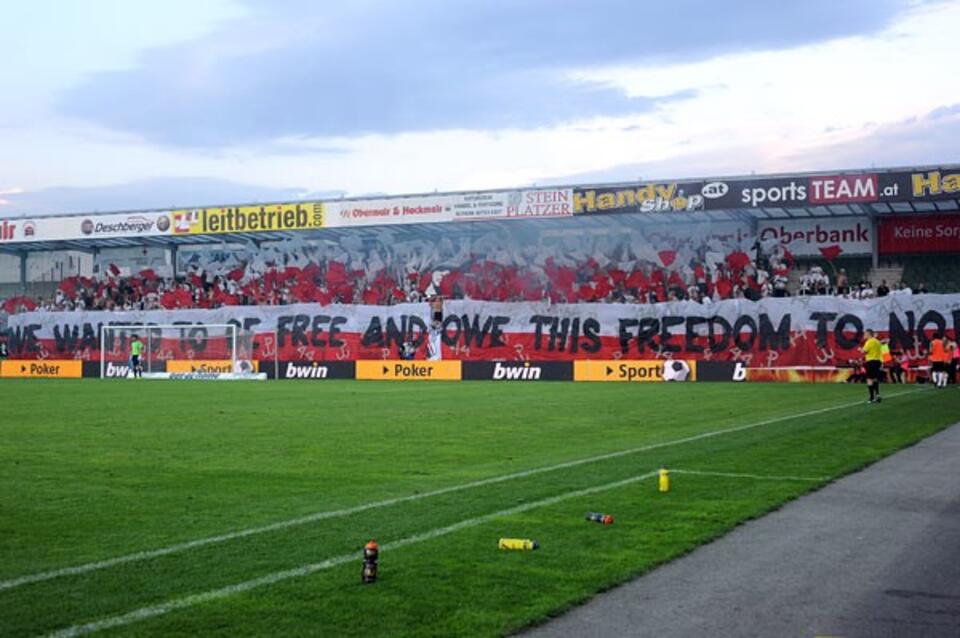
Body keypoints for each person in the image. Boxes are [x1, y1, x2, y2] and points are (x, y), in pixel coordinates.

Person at [860, 328, 883, 403]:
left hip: (871, 361)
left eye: (865, 334)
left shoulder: (869, 342)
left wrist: (860, 349)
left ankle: (871, 397)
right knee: (875, 379)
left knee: (869, 379)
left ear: (868, 334)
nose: (864, 335)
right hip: (878, 361)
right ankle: (878, 395)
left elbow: (864, 351)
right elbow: (881, 351)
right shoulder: (877, 341)